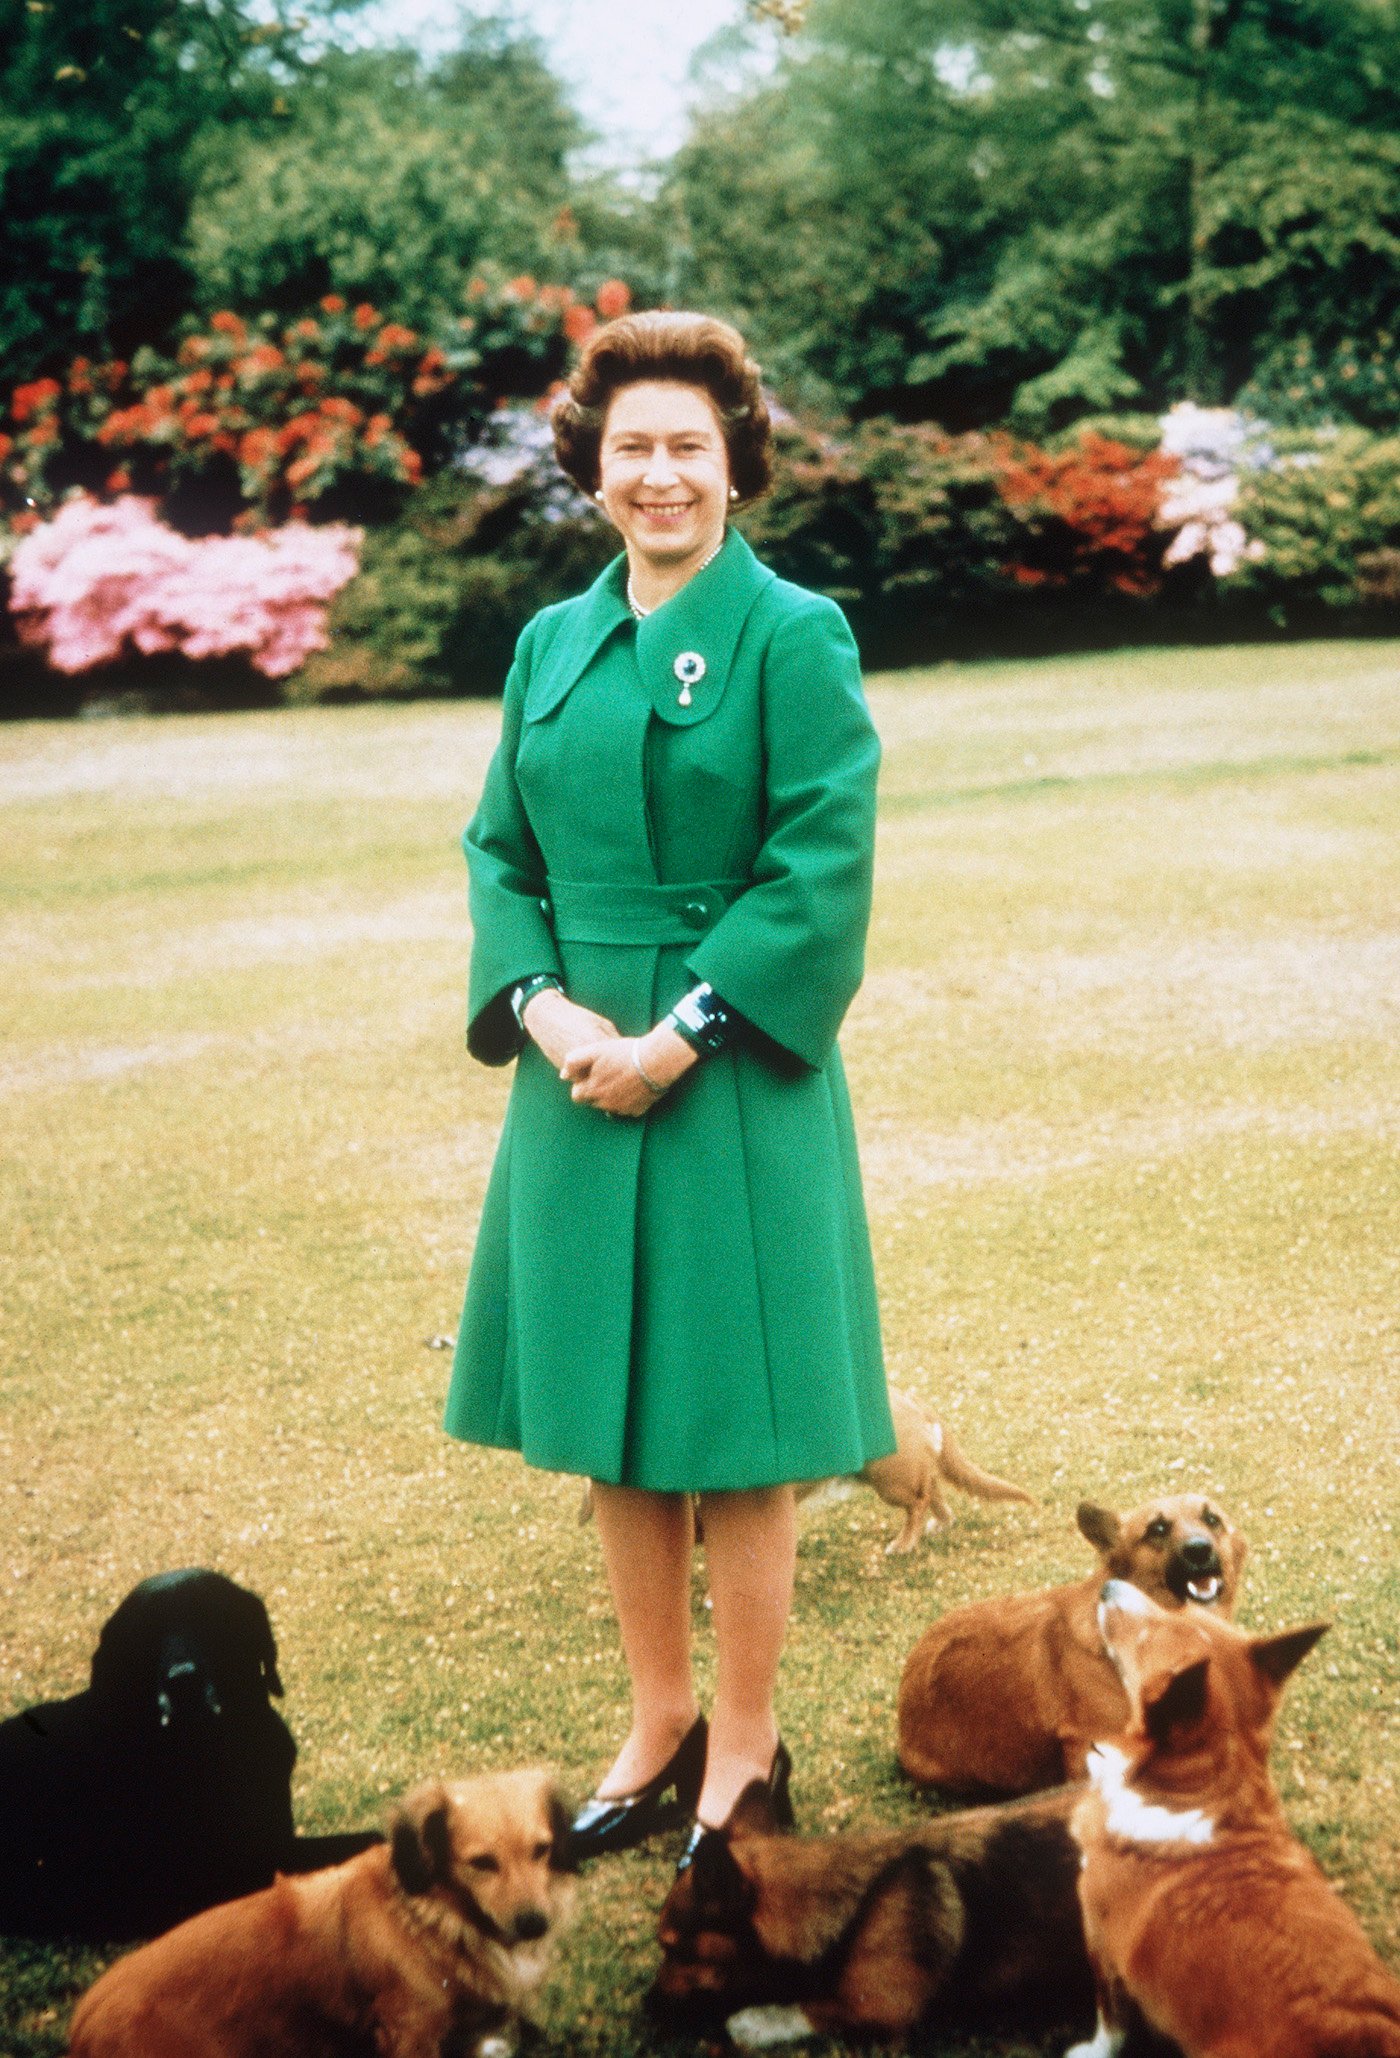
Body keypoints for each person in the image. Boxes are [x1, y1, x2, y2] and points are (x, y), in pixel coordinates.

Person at [444, 310, 894, 1865]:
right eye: (631, 445)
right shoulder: (546, 644)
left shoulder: (794, 633)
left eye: (687, 447)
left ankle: (747, 1750)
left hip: (733, 1079)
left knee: (734, 1429)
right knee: (611, 1419)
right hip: (575, 1080)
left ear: (736, 461)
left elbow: (820, 863)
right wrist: (551, 1010)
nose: (659, 475)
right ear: (591, 462)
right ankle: (657, 1721)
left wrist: (678, 1033)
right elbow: (500, 851)